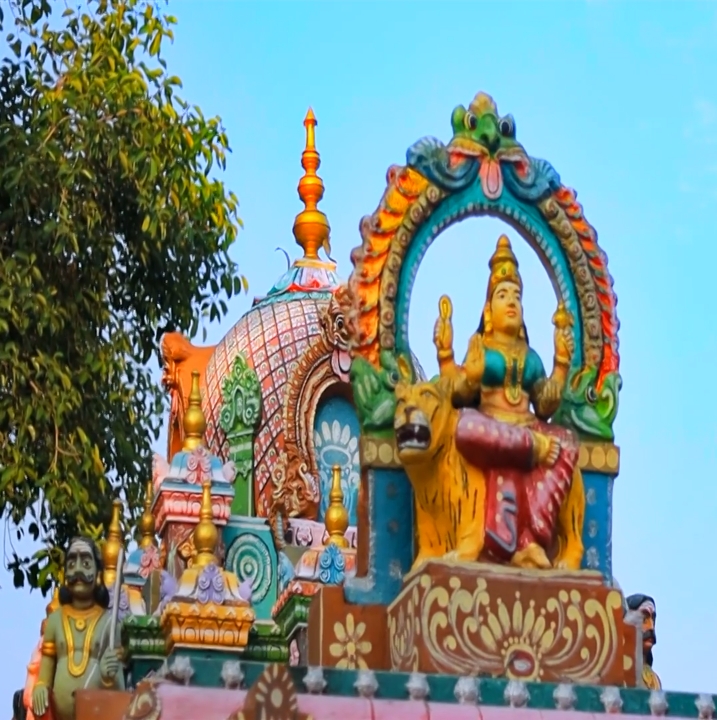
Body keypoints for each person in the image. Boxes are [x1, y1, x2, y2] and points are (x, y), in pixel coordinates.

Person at [443, 234, 582, 569]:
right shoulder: (481, 346)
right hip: (490, 425)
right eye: (502, 295)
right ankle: (527, 447)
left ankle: (531, 539)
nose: (511, 302)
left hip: (523, 428)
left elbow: (545, 404)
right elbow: (458, 394)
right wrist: (451, 358)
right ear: (487, 310)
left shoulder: (530, 357)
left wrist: (561, 363)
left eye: (517, 297)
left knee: (565, 442)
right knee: (465, 428)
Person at [31, 537, 124, 720]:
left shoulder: (109, 623)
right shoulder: (56, 620)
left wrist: (108, 677)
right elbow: (45, 674)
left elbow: (120, 689)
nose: (78, 569)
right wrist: (41, 686)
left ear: (98, 574)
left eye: (86, 563)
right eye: (72, 563)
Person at [626, 593, 661, 690]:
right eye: (644, 619)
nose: (651, 627)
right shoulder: (619, 672)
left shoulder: (654, 679)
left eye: (652, 620)